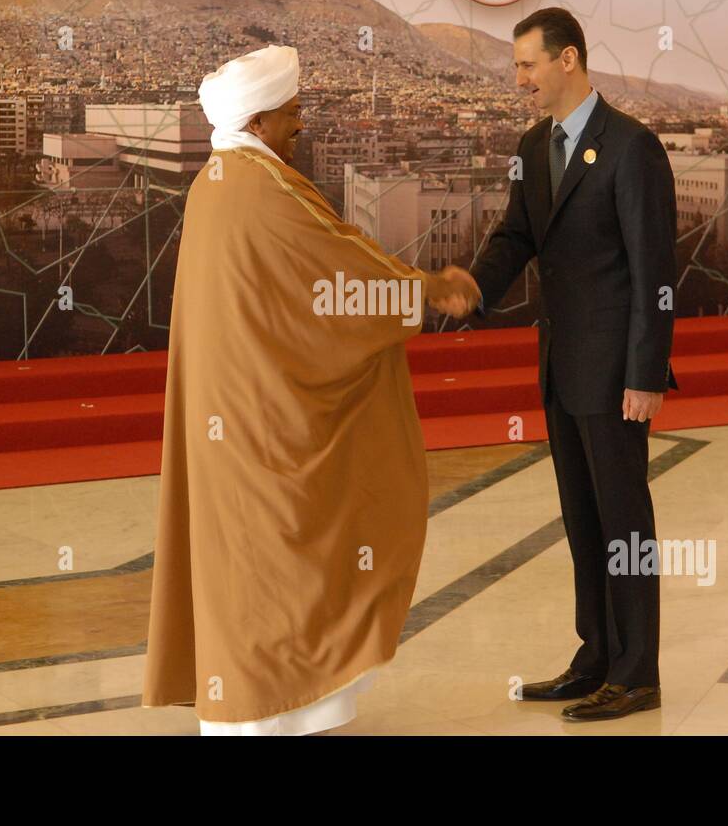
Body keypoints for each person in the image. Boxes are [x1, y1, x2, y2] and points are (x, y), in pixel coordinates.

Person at [141, 44, 478, 735]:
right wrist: (429, 292)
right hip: (262, 421)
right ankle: (267, 706)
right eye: (293, 113)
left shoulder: (222, 180)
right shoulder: (262, 192)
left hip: (235, 413)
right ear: (260, 120)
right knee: (275, 563)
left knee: (248, 561)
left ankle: (252, 705)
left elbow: (322, 268)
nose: (302, 125)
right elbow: (334, 275)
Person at [438, 8, 678, 721]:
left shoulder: (632, 148)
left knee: (624, 521)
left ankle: (637, 673)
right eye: (516, 68)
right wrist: (476, 287)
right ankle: (596, 657)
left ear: (567, 60)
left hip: (613, 375)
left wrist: (645, 372)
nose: (520, 81)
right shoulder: (534, 145)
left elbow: (653, 269)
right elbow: (516, 235)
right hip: (560, 366)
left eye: (527, 66)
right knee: (583, 518)